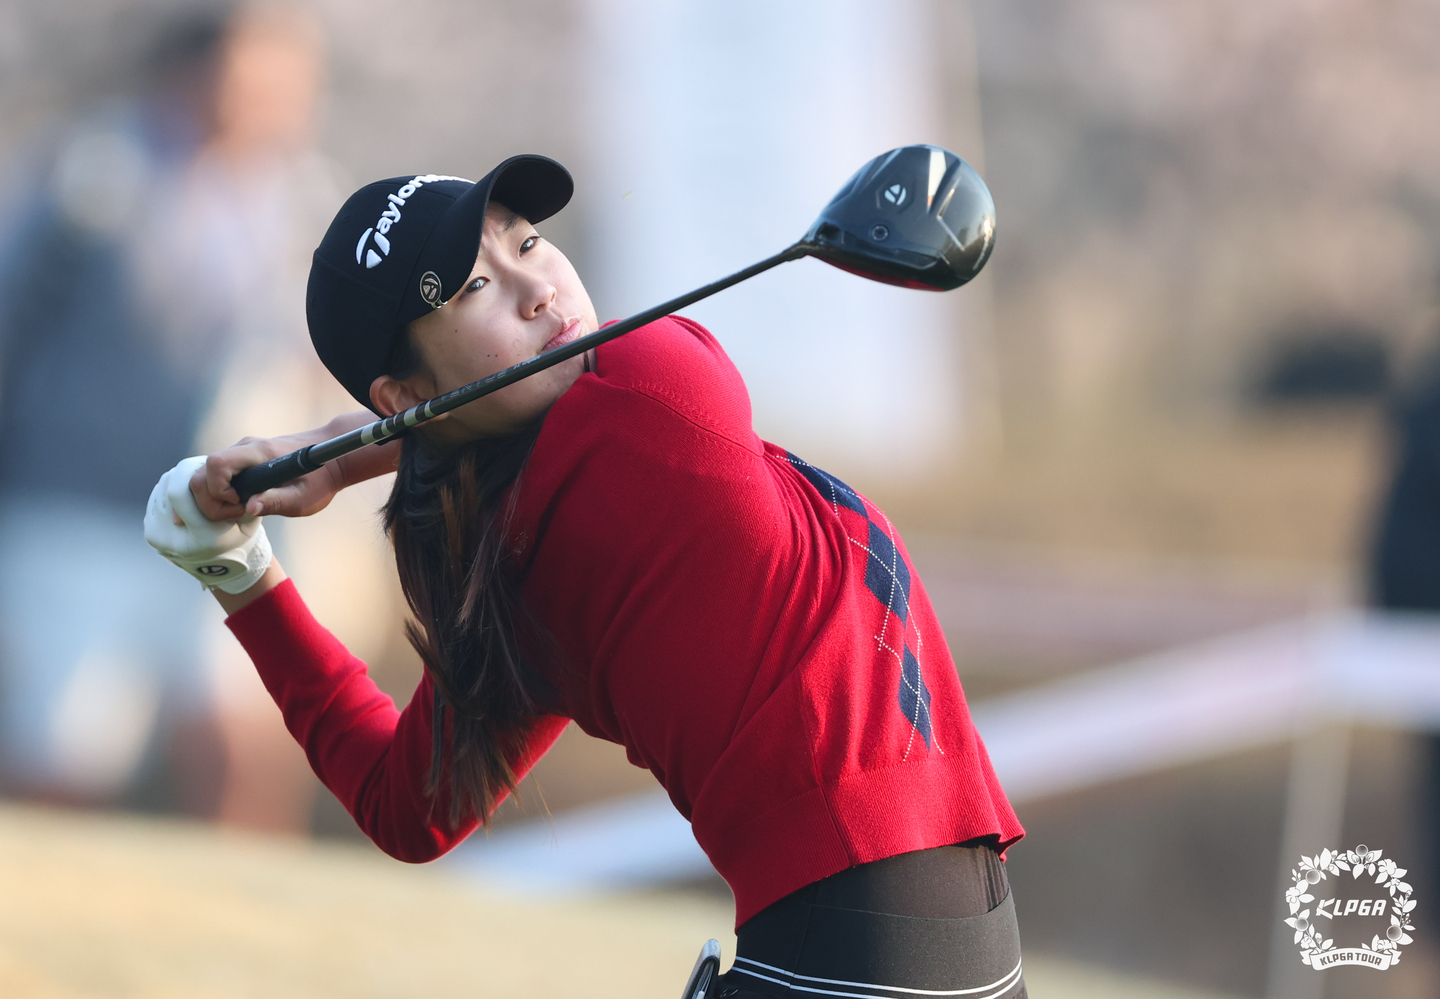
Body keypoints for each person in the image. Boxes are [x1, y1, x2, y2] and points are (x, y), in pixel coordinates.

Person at [146, 156, 1028, 998]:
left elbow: (403, 806)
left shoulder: (502, 575)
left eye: (525, 241)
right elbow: (568, 390)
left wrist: (244, 575)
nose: (540, 289)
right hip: (882, 954)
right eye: (473, 289)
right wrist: (347, 457)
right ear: (401, 391)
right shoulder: (655, 385)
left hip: (865, 952)